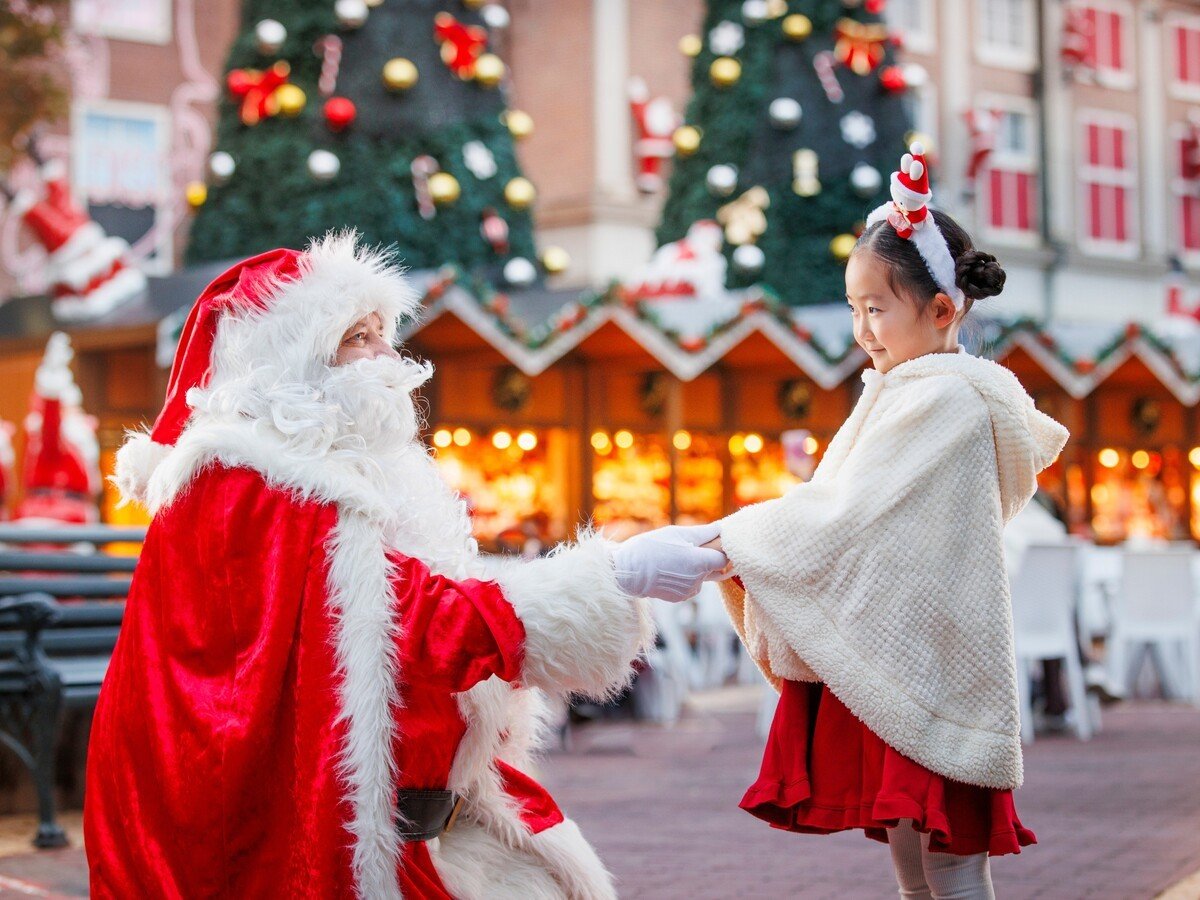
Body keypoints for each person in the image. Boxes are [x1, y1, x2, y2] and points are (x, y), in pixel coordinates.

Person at [83, 232, 727, 899]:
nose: (388, 356)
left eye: (382, 333)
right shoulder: (255, 485)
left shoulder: (330, 474)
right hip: (308, 835)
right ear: (289, 363)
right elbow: (414, 620)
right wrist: (616, 575)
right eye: (358, 338)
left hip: (421, 816)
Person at [711, 144, 1069, 899]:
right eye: (855, 309)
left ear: (942, 309)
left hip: (923, 645)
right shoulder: (907, 392)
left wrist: (734, 538)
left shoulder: (943, 401)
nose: (864, 330)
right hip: (910, 640)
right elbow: (857, 509)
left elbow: (848, 510)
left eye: (877, 308)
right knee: (914, 848)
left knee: (946, 855)